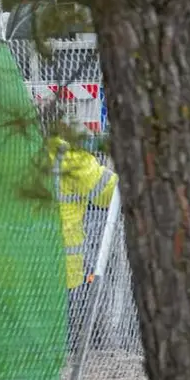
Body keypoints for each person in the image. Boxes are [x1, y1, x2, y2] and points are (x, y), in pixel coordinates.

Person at [47, 133, 118, 351]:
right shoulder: (65, 155)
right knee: (63, 348)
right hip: (62, 275)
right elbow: (109, 193)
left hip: (9, 274)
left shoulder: (0, 151)